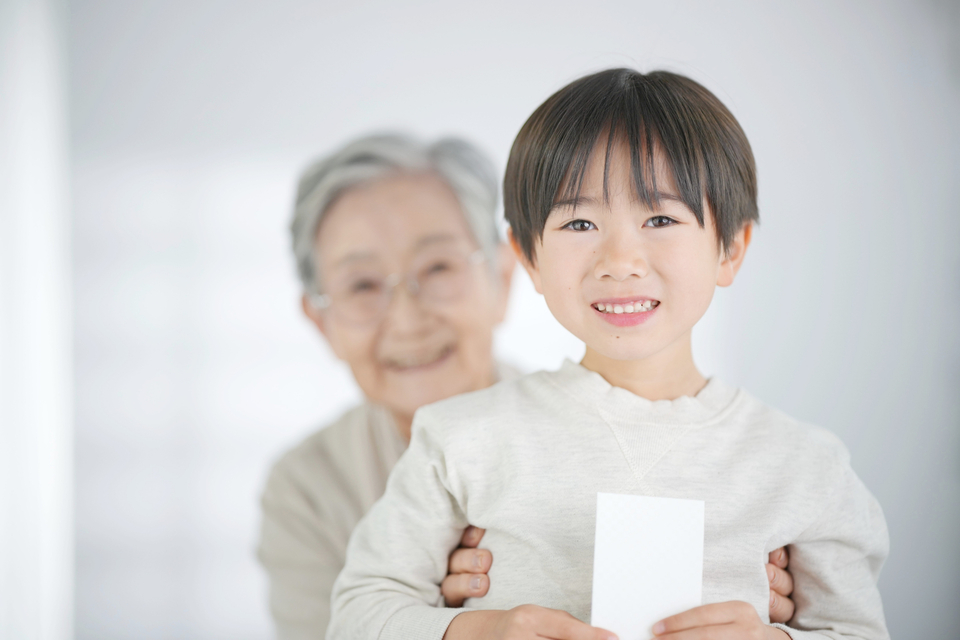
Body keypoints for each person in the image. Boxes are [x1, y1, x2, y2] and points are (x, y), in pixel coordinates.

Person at [327, 71, 889, 640]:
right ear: (529, 258)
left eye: (661, 219)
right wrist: (474, 632)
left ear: (731, 248)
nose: (620, 259)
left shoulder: (804, 467)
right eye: (579, 222)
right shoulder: (461, 440)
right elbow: (358, 613)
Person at [257, 133, 797, 639]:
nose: (406, 319)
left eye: (439, 267)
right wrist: (448, 617)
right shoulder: (305, 487)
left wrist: (744, 583)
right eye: (362, 284)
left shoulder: (618, 420)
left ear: (504, 277)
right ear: (320, 320)